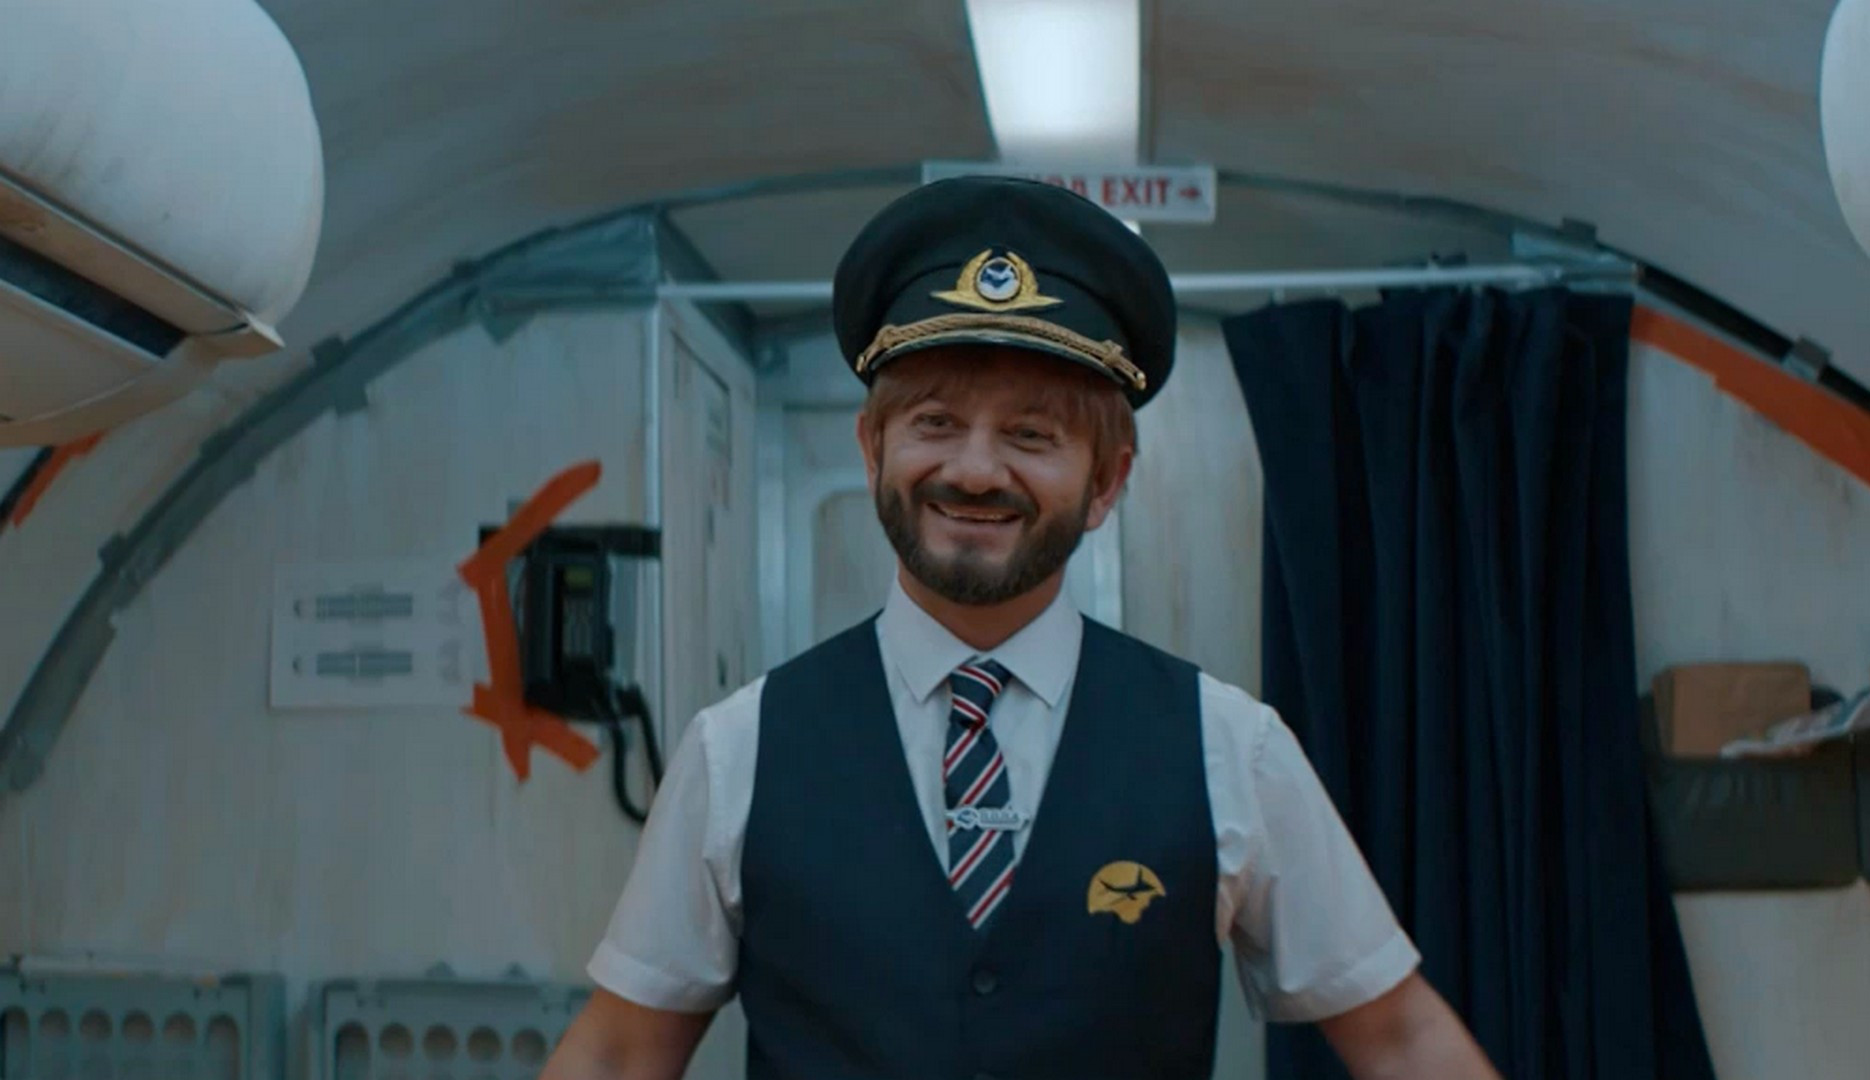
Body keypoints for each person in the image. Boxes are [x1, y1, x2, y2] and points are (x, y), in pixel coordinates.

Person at [541, 177, 1500, 1079]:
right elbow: (620, 1053)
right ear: (872, 449)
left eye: (1032, 436)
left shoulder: (1228, 746)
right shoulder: (737, 749)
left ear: (1107, 480)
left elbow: (1400, 1038)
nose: (974, 470)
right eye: (934, 423)